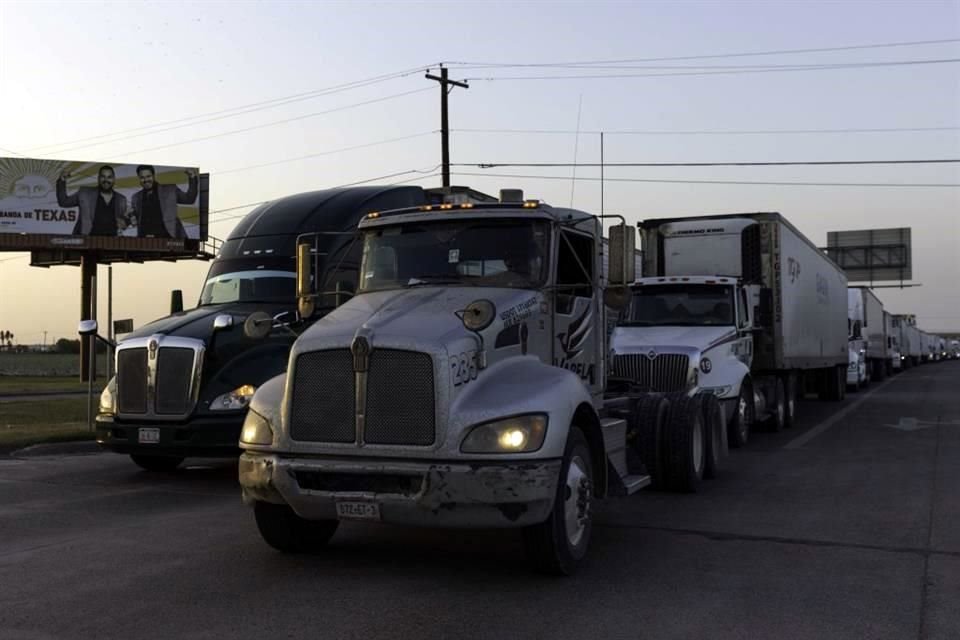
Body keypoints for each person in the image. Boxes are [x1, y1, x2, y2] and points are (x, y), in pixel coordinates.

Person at [56, 165, 130, 236]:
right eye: (103, 177)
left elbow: (122, 224)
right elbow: (63, 202)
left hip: (111, 244)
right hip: (87, 242)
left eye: (109, 177)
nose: (106, 180)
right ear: (98, 178)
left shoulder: (121, 199)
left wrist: (126, 222)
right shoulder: (84, 193)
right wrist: (62, 180)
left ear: (114, 179)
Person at [130, 165, 198, 239]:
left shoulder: (170, 190)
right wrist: (129, 219)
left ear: (153, 175)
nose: (145, 180)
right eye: (142, 177)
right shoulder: (136, 197)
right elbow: (134, 217)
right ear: (139, 179)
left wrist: (192, 177)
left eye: (148, 176)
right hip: (145, 241)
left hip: (169, 239)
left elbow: (189, 199)